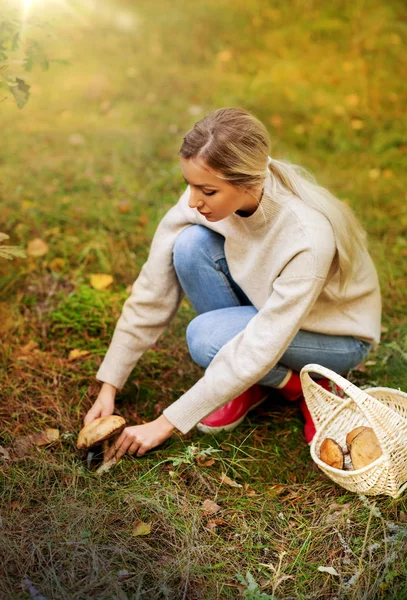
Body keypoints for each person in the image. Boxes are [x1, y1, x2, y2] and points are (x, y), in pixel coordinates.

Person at [84, 107, 381, 462]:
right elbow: (152, 288)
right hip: (270, 308)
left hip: (333, 335)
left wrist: (164, 423)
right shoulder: (206, 196)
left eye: (207, 191)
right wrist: (110, 385)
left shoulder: (305, 235)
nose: (194, 201)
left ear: (248, 183)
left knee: (206, 337)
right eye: (189, 185)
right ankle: (249, 380)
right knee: (190, 245)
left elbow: (261, 343)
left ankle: (308, 385)